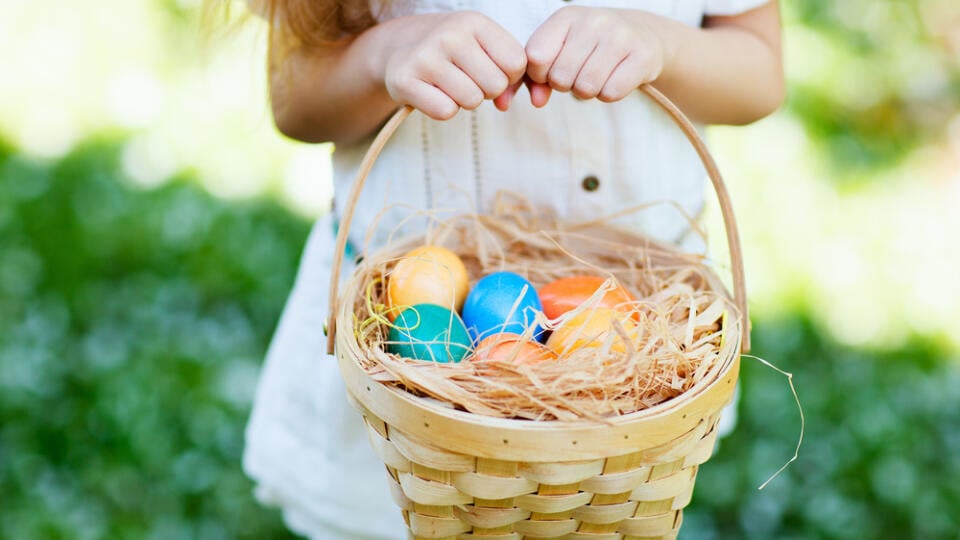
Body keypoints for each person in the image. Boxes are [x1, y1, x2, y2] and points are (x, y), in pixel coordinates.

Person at [225, 1, 784, 538]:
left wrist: (662, 44)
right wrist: (383, 57)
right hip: (401, 395)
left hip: (634, 377)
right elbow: (294, 98)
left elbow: (760, 73)